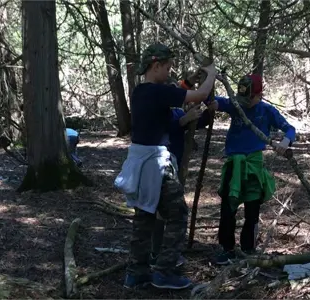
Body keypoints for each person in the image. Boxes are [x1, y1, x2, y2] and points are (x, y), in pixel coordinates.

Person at [115, 43, 216, 290]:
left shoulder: (141, 91)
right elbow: (199, 96)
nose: (170, 71)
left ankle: (136, 272)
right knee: (178, 214)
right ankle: (164, 271)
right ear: (156, 65)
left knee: (144, 215)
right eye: (167, 67)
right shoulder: (158, 92)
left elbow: (175, 91)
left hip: (140, 162)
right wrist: (211, 74)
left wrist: (187, 82)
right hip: (156, 165)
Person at [210, 74, 296, 265]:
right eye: (243, 99)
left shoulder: (266, 111)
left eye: (250, 99)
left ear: (259, 95)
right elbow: (214, 102)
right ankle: (227, 248)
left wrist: (285, 141)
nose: (246, 103)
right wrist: (207, 84)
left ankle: (248, 248)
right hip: (234, 164)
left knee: (252, 210)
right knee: (228, 208)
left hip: (254, 166)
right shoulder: (236, 104)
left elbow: (289, 129)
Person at [150, 76, 217, 268]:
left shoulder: (178, 111)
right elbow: (162, 129)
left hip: (175, 166)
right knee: (160, 211)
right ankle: (157, 253)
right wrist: (182, 121)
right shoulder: (156, 111)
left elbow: (194, 123)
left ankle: (168, 252)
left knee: (171, 211)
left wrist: (207, 112)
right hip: (158, 168)